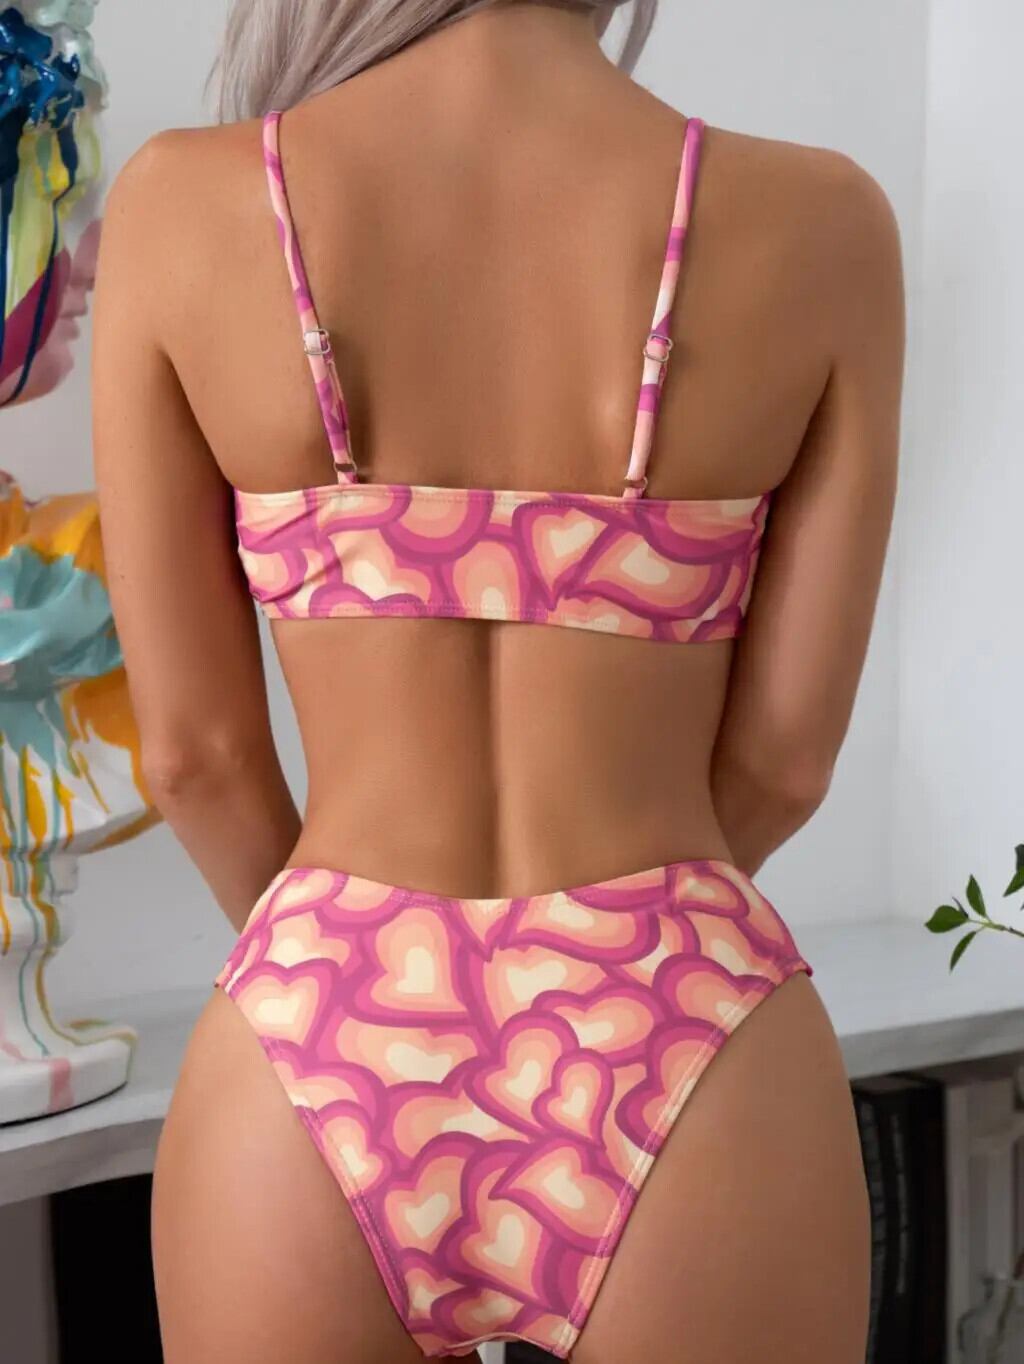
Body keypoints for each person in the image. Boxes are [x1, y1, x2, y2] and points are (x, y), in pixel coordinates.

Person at [92, 3, 904, 1362]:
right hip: (672, 1004)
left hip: (325, 1010)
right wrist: (610, 927)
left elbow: (195, 755)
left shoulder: (184, 202)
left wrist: (344, 956)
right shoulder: (823, 223)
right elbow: (783, 759)